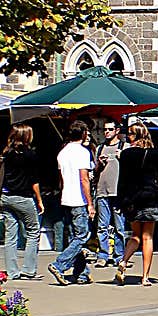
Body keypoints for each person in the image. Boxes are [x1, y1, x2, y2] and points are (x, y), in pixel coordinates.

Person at [115, 122, 158, 287]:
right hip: (150, 198)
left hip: (132, 200)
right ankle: (145, 277)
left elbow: (122, 180)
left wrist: (120, 200)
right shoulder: (155, 154)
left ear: (134, 136)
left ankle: (124, 261)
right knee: (148, 237)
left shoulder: (126, 154)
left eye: (130, 134)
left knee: (135, 235)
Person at [48, 120, 95, 285]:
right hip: (78, 199)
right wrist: (90, 203)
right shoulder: (82, 152)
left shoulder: (62, 152)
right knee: (82, 236)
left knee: (75, 237)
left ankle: (82, 272)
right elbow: (84, 179)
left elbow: (61, 179)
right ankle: (59, 264)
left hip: (66, 198)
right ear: (82, 134)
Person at [0, 123, 44, 280]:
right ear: (27, 137)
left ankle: (12, 271)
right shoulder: (30, 155)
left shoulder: (6, 153)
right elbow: (34, 180)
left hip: (6, 196)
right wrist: (39, 200)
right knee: (33, 231)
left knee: (10, 235)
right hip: (23, 197)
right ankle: (29, 269)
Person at [93, 120, 126, 268]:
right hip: (102, 191)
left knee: (119, 227)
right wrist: (100, 164)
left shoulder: (124, 147)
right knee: (102, 226)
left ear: (117, 131)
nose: (107, 132)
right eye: (105, 129)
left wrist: (123, 158)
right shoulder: (100, 148)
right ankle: (103, 255)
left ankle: (120, 256)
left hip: (118, 191)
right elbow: (95, 171)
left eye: (110, 129)